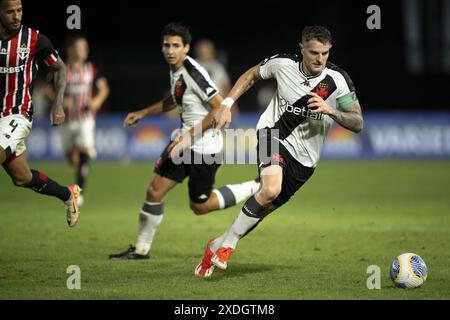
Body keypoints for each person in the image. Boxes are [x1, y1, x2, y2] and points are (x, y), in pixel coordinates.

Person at [195, 25, 364, 278]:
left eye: (325, 53)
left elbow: (358, 122)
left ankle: (216, 245)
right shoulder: (282, 64)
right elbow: (251, 75)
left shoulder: (337, 81)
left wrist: (331, 111)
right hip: (272, 133)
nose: (319, 59)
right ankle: (229, 246)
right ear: (302, 49)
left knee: (262, 207)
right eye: (314, 52)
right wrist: (227, 104)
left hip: (305, 161)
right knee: (270, 189)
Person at [109, 23, 260, 266]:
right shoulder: (175, 70)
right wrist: (144, 112)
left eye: (176, 46)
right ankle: (141, 249)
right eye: (166, 45)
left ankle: (255, 187)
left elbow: (220, 108)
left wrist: (188, 137)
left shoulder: (193, 72)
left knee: (200, 206)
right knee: (154, 191)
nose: (170, 50)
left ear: (186, 48)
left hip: (204, 150)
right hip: (183, 143)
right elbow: (174, 98)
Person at [0, 0, 80, 227]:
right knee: (22, 178)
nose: (16, 16)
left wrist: (58, 103)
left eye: (19, 10)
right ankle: (67, 194)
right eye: (9, 12)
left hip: (16, 114)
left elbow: (60, 67)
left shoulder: (35, 39)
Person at [47, 34, 110, 206]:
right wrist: (58, 100)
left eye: (86, 47)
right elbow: (46, 89)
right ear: (70, 50)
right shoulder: (61, 70)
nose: (84, 50)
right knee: (71, 158)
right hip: (66, 121)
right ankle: (85, 160)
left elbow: (104, 89)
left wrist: (96, 101)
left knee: (82, 151)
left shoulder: (91, 69)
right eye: (80, 47)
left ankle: (78, 191)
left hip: (85, 119)